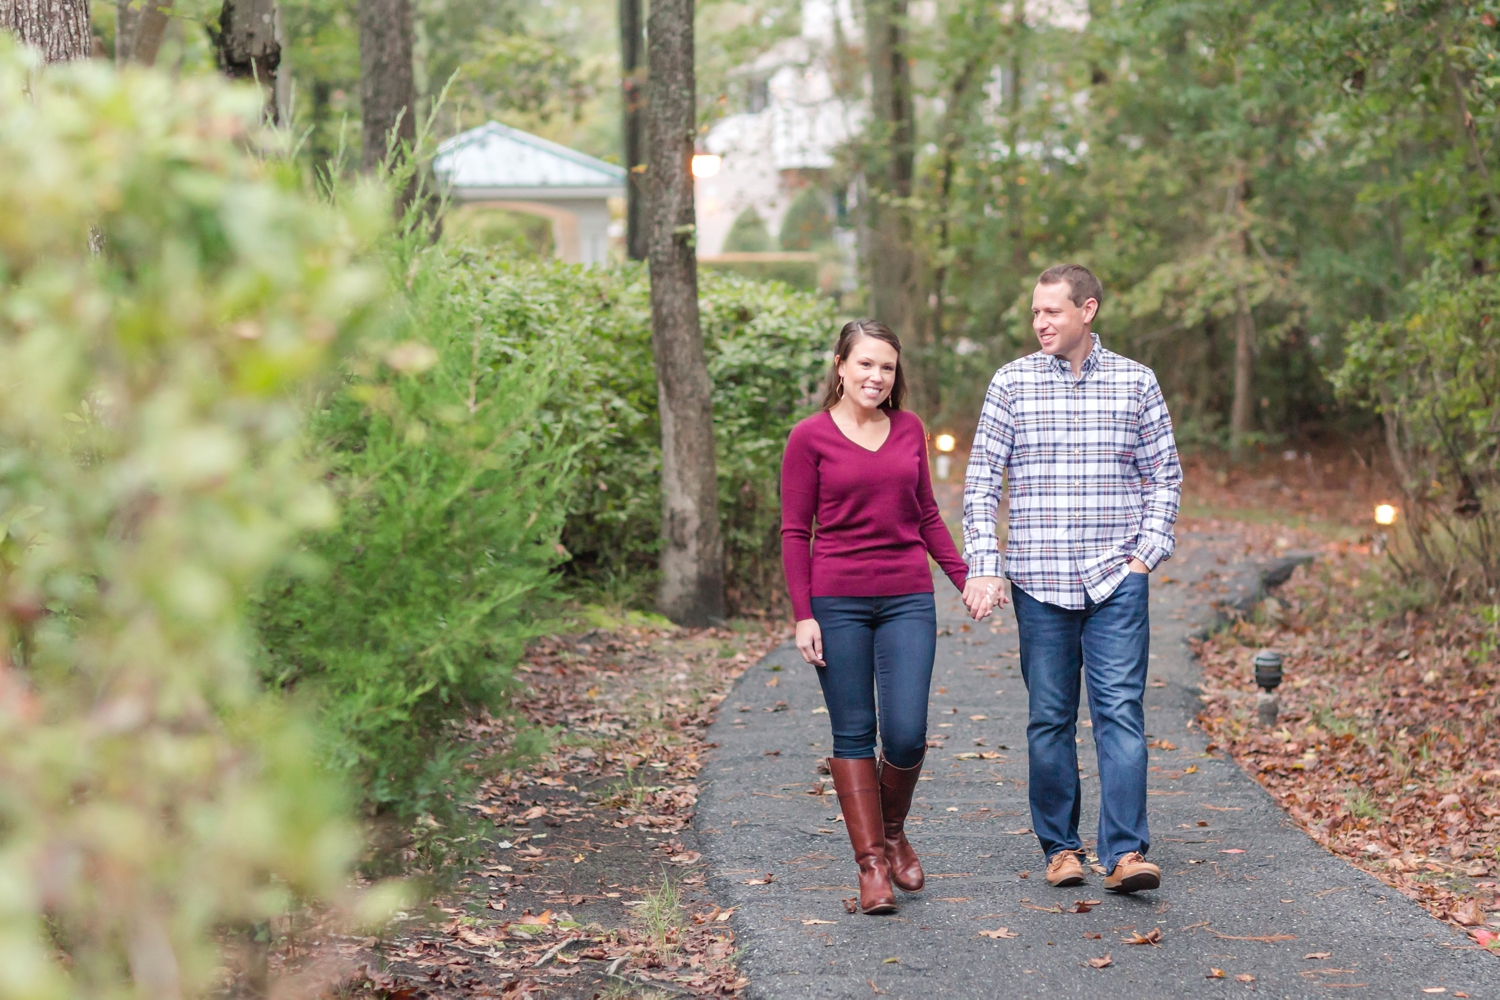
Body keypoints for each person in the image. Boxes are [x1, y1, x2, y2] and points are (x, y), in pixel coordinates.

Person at [960, 264, 1182, 894]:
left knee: (1121, 714)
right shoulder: (1012, 383)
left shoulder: (1137, 383)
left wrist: (1146, 555)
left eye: (1052, 311)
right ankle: (1061, 848)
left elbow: (1164, 475)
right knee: (1050, 718)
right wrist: (986, 564)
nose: (1040, 323)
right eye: (1034, 312)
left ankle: (1125, 853)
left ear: (1088, 310)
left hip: (1117, 577)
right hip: (1039, 581)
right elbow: (981, 484)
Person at [781, 320, 969, 914]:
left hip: (907, 598)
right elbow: (794, 532)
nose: (875, 376)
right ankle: (870, 867)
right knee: (854, 733)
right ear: (840, 365)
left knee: (908, 732)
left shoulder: (910, 428)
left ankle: (891, 834)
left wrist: (965, 579)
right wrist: (802, 615)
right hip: (837, 600)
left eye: (886, 367)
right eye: (865, 364)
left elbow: (927, 515)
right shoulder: (808, 438)